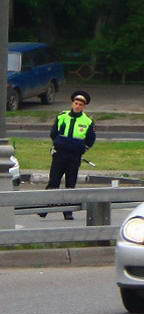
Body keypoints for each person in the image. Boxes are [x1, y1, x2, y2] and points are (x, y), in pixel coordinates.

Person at [47, 91, 95, 220]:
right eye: (76, 103)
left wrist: (81, 150)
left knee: (70, 183)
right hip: (60, 154)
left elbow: (90, 139)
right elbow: (53, 133)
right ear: (72, 103)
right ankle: (44, 208)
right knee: (53, 181)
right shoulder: (62, 116)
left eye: (80, 104)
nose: (77, 106)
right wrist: (58, 143)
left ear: (84, 107)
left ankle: (68, 211)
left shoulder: (87, 121)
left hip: (74, 157)